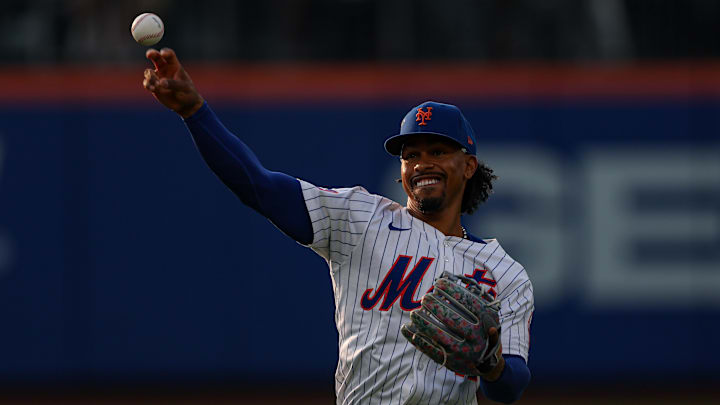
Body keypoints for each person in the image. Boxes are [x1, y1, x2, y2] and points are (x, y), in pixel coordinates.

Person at [142, 48, 533, 405]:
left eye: (438, 151)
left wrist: (490, 364)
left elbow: (510, 386)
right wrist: (195, 112)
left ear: (467, 167)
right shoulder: (359, 218)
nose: (421, 164)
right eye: (410, 155)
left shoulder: (505, 272)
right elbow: (258, 186)